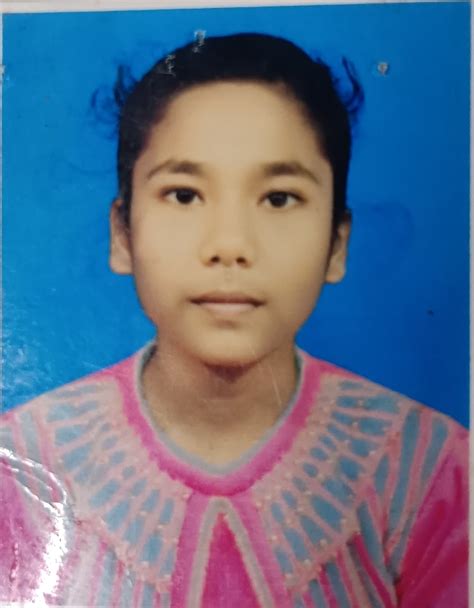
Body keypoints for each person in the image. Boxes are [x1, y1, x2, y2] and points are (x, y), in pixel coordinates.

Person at [0, 32, 468, 607]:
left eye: (278, 199)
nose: (230, 246)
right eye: (184, 195)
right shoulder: (22, 464)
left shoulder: (428, 472)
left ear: (337, 244)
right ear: (122, 234)